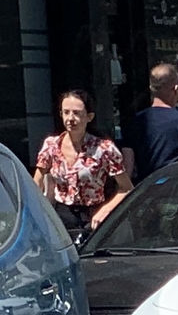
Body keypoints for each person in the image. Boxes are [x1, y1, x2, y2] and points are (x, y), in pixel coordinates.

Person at [33, 88, 131, 239]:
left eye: (76, 113)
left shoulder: (104, 148)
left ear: (89, 117)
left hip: (94, 215)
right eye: (66, 112)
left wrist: (106, 210)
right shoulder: (51, 145)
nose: (70, 118)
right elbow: (36, 184)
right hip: (62, 216)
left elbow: (126, 188)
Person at [124, 63, 178, 178]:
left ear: (151, 88)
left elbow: (127, 170)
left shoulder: (134, 122)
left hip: (147, 191)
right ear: (176, 88)